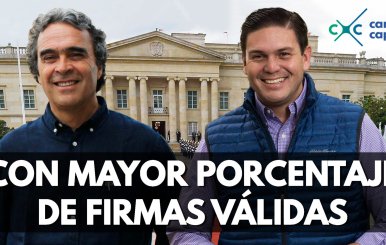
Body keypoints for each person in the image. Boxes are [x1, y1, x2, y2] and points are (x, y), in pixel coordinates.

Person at [168, 7, 386, 245]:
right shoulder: (216, 137)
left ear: (305, 58)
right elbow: (187, 229)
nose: (271, 67)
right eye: (258, 56)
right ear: (244, 63)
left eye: (284, 54)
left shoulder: (356, 124)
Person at [0, 8, 179, 245]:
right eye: (49, 57)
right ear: (37, 72)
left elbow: (177, 234)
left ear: (99, 67)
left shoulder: (147, 147)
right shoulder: (10, 152)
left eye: (76, 54)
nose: (62, 67)